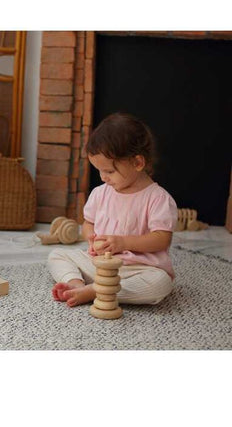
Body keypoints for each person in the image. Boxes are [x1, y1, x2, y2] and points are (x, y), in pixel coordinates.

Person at [49, 112, 177, 307]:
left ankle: (96, 290)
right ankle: (76, 284)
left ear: (137, 163)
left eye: (109, 171)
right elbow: (88, 223)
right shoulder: (101, 193)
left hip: (138, 269)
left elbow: (161, 239)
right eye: (99, 170)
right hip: (99, 264)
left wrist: (123, 243)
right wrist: (91, 238)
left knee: (160, 284)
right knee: (57, 255)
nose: (103, 177)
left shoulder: (158, 198)